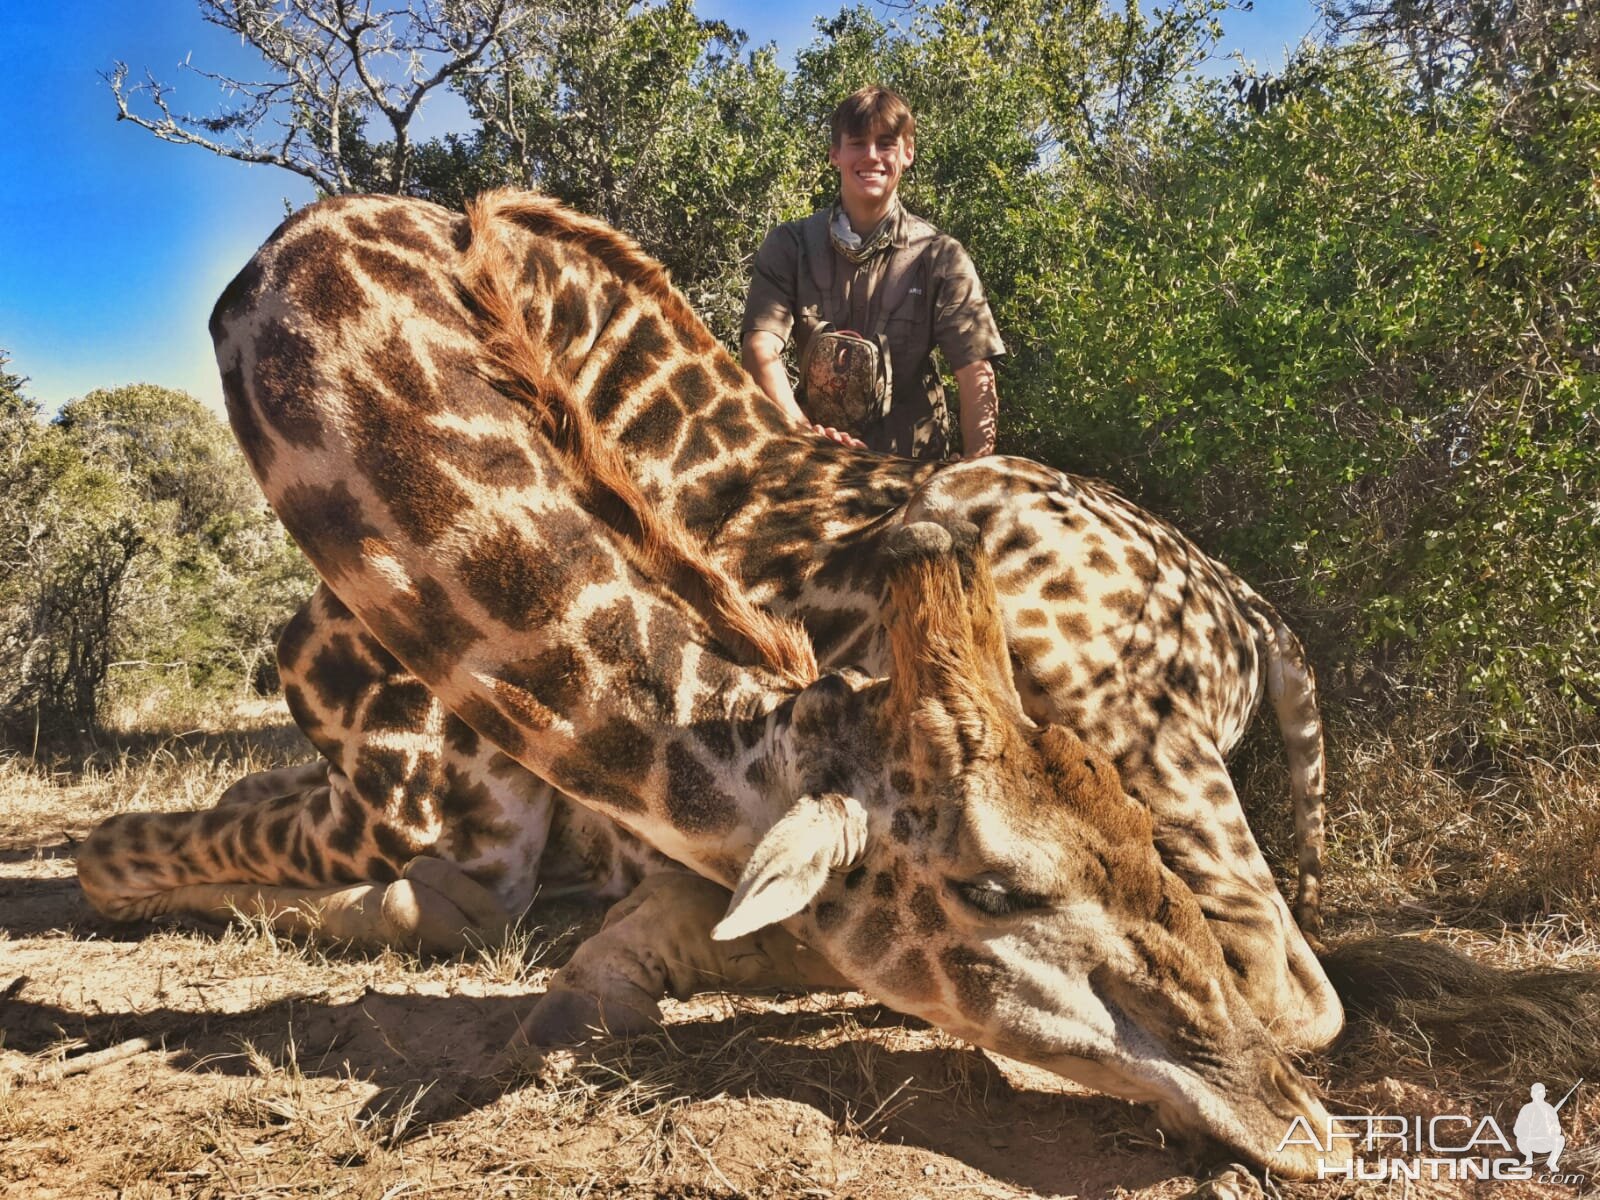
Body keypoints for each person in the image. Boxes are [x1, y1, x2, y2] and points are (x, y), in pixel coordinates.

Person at [741, 86, 1004, 460]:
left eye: (886, 143)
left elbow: (974, 369)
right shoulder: (789, 245)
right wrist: (806, 437)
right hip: (810, 458)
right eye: (857, 143)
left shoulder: (941, 256)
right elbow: (758, 348)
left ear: (907, 153)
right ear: (836, 153)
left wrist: (978, 468)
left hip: (911, 470)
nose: (871, 156)